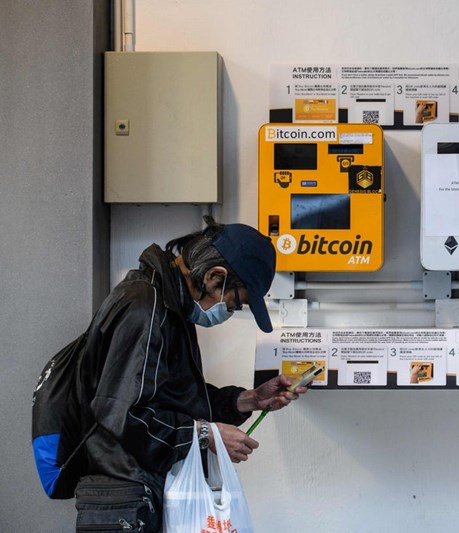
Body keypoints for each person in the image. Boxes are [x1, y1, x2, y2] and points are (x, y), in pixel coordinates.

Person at [74, 216, 307, 532]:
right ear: (214, 276)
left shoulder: (167, 308)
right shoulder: (145, 307)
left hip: (137, 492)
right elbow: (120, 412)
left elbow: (171, 395)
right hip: (122, 499)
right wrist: (204, 434)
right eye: (234, 302)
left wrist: (249, 399)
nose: (228, 311)